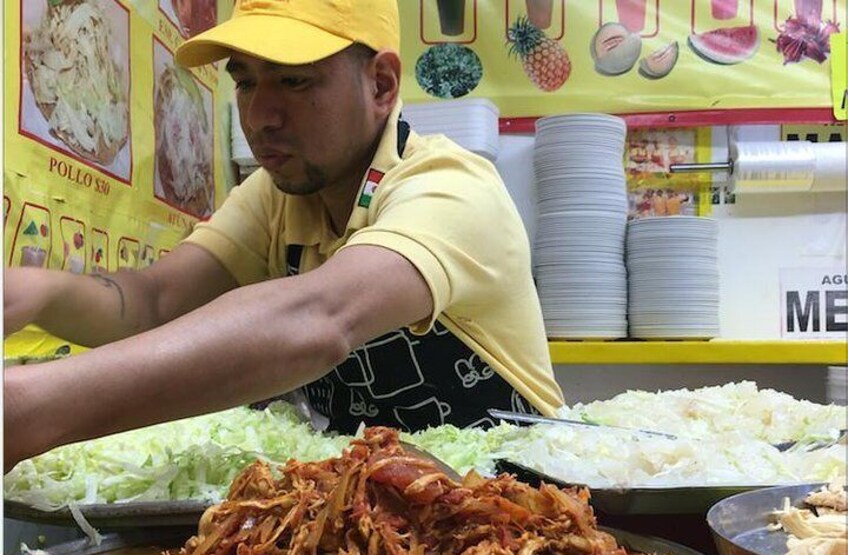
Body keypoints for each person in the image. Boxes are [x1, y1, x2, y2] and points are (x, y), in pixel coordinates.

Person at [4, 0, 563, 470]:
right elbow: (154, 302)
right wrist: (42, 293)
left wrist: (31, 408)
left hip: (513, 513)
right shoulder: (278, 196)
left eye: (294, 81)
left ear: (382, 85)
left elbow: (318, 319)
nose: (260, 116)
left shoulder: (451, 186)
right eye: (246, 82)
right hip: (367, 518)